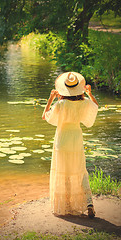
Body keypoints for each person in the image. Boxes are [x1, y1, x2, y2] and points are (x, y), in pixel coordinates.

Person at [42, 72, 98, 218]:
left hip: (62, 139)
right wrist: (89, 93)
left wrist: (50, 99)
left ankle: (66, 204)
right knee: (80, 170)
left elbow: (45, 116)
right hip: (76, 138)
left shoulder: (60, 104)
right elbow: (95, 107)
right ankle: (89, 203)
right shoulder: (84, 102)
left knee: (64, 171)